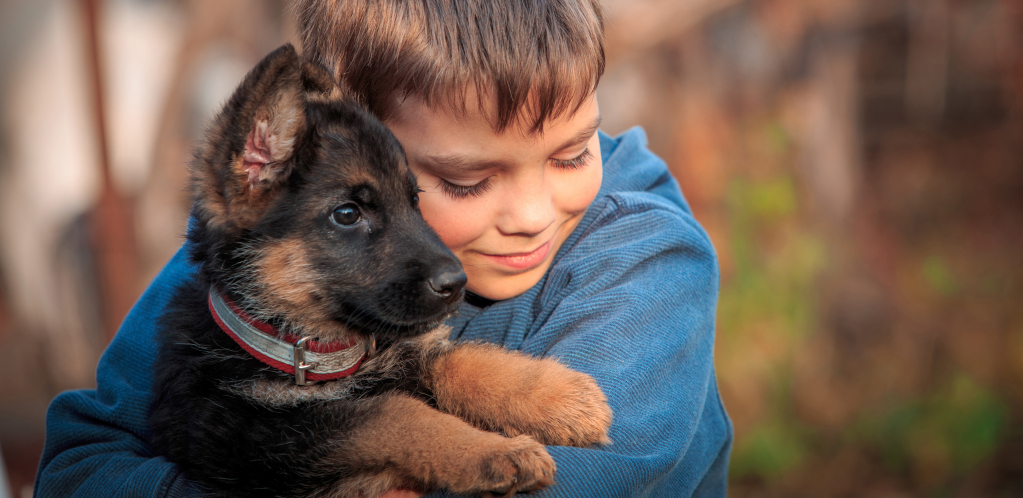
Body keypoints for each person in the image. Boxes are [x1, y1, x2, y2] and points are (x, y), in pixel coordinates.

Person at [34, 0, 732, 496]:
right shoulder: (242, 258)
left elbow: (550, 478)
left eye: (573, 153)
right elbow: (78, 465)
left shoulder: (645, 267)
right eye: (463, 182)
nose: (530, 214)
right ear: (350, 126)